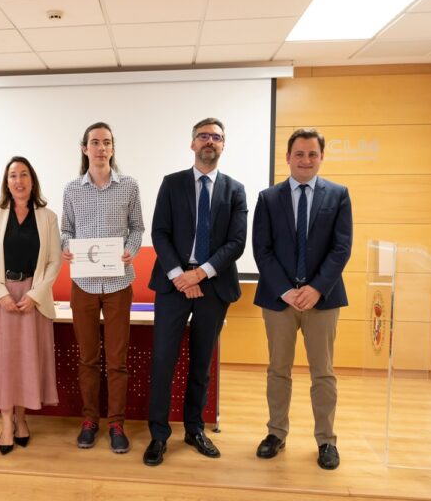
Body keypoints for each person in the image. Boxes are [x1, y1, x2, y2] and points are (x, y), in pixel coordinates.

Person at [143, 117, 247, 466]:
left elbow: (236, 242)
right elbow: (160, 232)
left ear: (222, 145)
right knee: (163, 361)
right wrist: (180, 276)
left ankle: (194, 429)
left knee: (202, 363)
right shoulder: (172, 184)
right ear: (192, 144)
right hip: (173, 287)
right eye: (203, 136)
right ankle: (158, 435)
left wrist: (199, 274)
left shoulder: (235, 190)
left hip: (214, 287)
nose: (209, 142)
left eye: (216, 137)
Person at [252, 128, 352, 470]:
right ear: (288, 157)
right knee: (278, 370)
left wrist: (316, 288)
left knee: (322, 373)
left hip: (322, 299)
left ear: (321, 157)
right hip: (279, 299)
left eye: (312, 154)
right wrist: (285, 289)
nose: (306, 160)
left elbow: (341, 248)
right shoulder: (267, 198)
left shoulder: (338, 195)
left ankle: (326, 440)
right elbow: (261, 250)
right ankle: (276, 433)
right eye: (299, 154)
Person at [61, 122, 144, 453]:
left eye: (106, 142)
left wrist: (131, 251)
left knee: (117, 360)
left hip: (119, 283)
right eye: (94, 142)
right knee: (87, 358)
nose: (101, 148)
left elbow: (137, 228)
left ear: (112, 148)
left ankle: (116, 423)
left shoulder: (129, 186)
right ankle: (90, 420)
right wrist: (66, 245)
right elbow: (66, 229)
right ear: (84, 149)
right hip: (83, 283)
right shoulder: (71, 189)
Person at [0, 156, 62, 455]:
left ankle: (23, 419)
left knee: (26, 363)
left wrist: (35, 295)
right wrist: (0, 294)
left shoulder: (48, 217)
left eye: (24, 175)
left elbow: (53, 261)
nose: (19, 180)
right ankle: (7, 424)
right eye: (13, 175)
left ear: (32, 181)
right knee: (4, 364)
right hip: (0, 299)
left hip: (32, 299)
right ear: (6, 182)